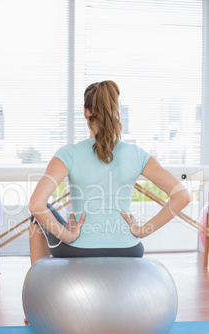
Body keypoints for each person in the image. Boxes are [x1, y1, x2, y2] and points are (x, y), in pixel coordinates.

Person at [28, 80, 191, 265]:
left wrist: (67, 235)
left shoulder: (68, 154)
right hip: (129, 249)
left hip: (80, 249)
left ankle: (37, 285)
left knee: (36, 216)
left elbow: (36, 205)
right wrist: (142, 230)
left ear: (85, 112)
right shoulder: (137, 154)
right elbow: (182, 197)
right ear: (116, 112)